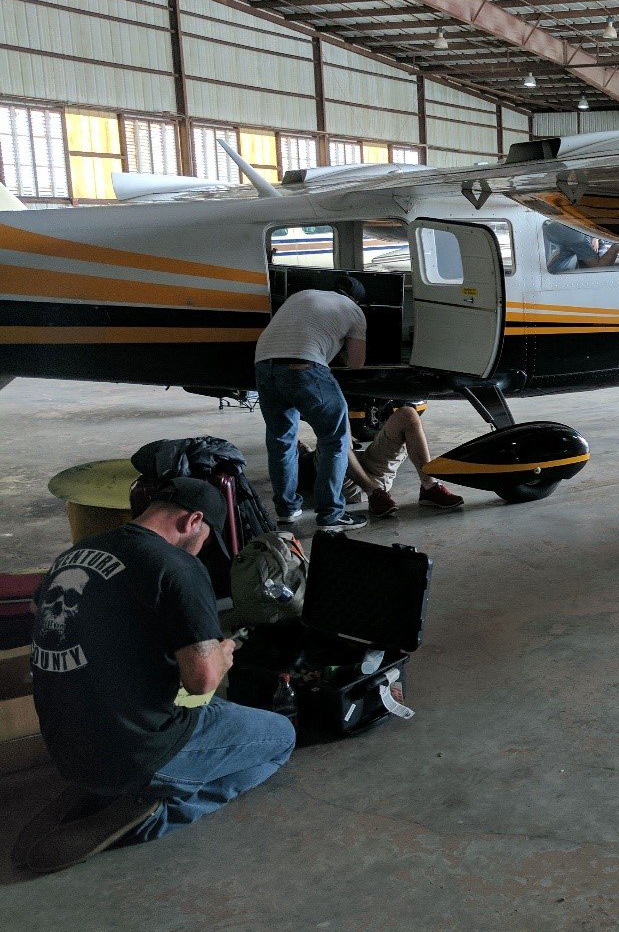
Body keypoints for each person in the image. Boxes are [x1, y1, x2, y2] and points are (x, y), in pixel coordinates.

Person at [20, 478, 295, 872]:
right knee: (281, 737)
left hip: (65, 745)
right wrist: (222, 654)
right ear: (192, 521)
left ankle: (102, 792)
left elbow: (41, 613)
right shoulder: (176, 565)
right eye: (205, 537)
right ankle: (155, 812)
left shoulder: (76, 553)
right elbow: (200, 681)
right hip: (137, 750)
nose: (202, 547)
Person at [254, 275, 368, 533]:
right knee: (334, 439)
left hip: (264, 365)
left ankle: (286, 511)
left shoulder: (302, 295)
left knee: (281, 440)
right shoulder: (354, 311)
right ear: (356, 299)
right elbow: (356, 363)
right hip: (305, 366)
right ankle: (330, 515)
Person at [343, 402, 465, 517]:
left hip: (364, 466)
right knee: (335, 436)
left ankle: (429, 486)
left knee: (407, 414)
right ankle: (373, 493)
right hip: (343, 480)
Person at [545, 222, 619, 273]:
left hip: (561, 229)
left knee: (565, 255)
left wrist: (595, 237)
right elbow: (599, 266)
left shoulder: (578, 246)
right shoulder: (580, 244)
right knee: (598, 267)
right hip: (575, 234)